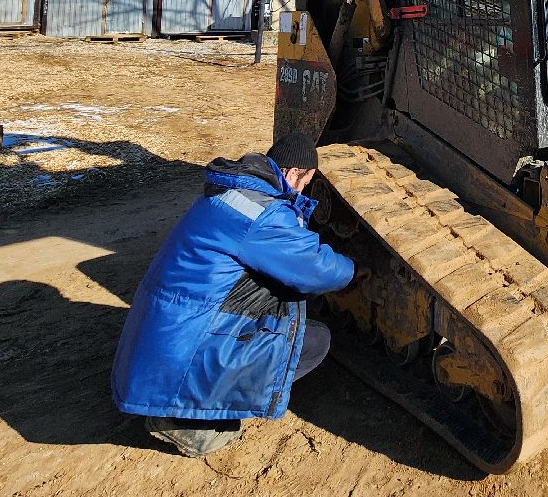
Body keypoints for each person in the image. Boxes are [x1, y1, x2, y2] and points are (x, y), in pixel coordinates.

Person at [111, 132, 362, 457]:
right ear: (293, 174)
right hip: (181, 348)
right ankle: (187, 422)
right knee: (312, 341)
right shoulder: (262, 214)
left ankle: (187, 404)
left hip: (169, 334)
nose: (303, 190)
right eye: (306, 181)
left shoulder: (235, 193)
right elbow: (315, 268)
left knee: (285, 317)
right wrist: (357, 270)